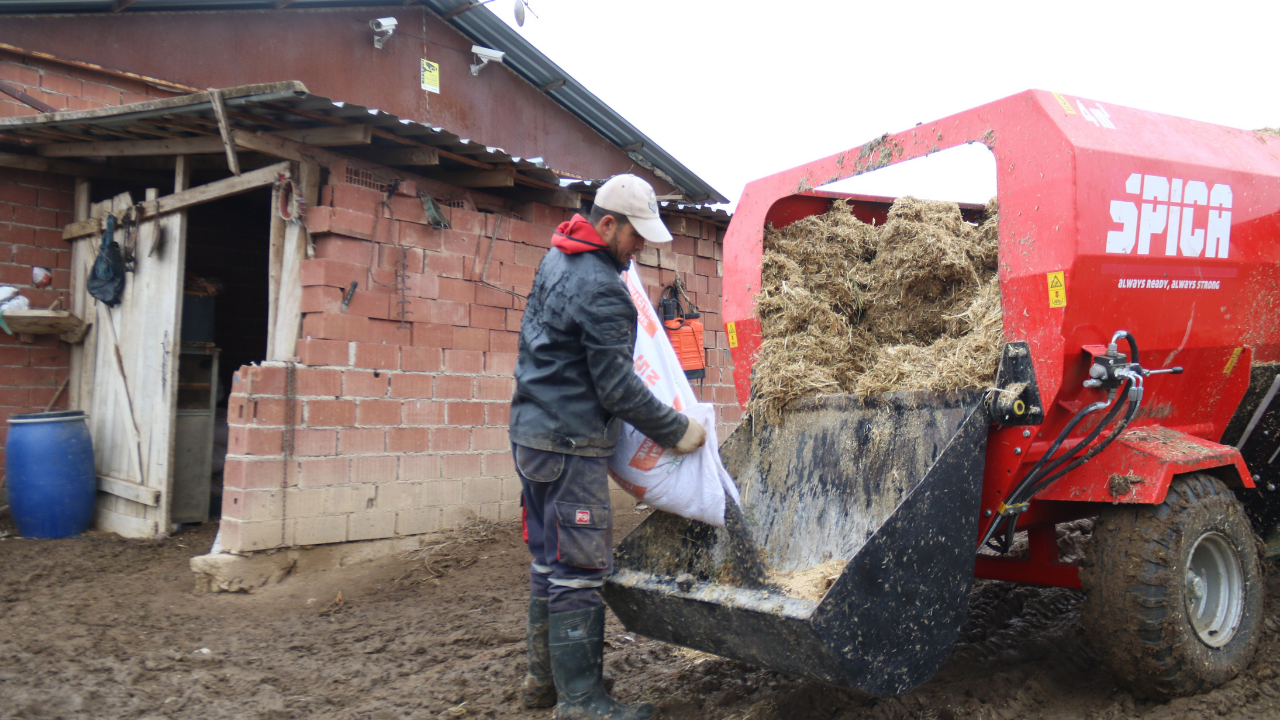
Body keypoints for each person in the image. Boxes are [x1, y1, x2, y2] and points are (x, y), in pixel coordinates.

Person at [509, 174, 706, 719]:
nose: (641, 246)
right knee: (579, 567)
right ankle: (582, 703)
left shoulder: (556, 257)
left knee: (548, 561)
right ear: (607, 224)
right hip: (570, 445)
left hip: (531, 435)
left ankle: (541, 682)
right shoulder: (602, 290)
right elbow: (617, 389)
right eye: (635, 235)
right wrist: (676, 430)